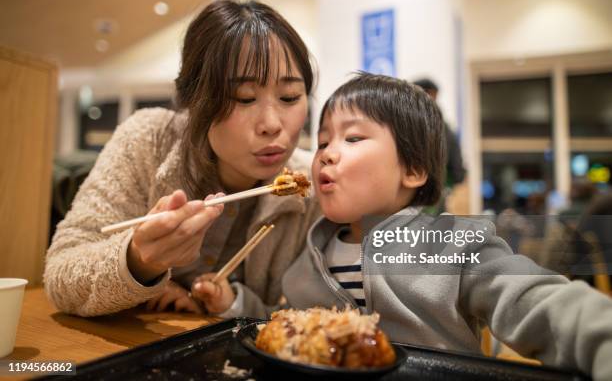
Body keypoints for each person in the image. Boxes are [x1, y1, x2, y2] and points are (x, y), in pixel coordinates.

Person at [193, 73, 612, 380]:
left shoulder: (449, 244)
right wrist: (234, 302)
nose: (326, 155)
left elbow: (538, 303)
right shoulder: (312, 254)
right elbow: (288, 329)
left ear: (413, 170)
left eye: (352, 139)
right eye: (321, 142)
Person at [43, 0, 320, 317]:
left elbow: (299, 314)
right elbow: (60, 273)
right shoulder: (149, 142)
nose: (272, 125)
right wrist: (138, 259)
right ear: (194, 101)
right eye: (244, 98)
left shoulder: (307, 187)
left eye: (290, 97)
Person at [413, 78, 465, 188]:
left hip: (430, 186)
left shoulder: (438, 124)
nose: (433, 101)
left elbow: (455, 165)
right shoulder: (437, 123)